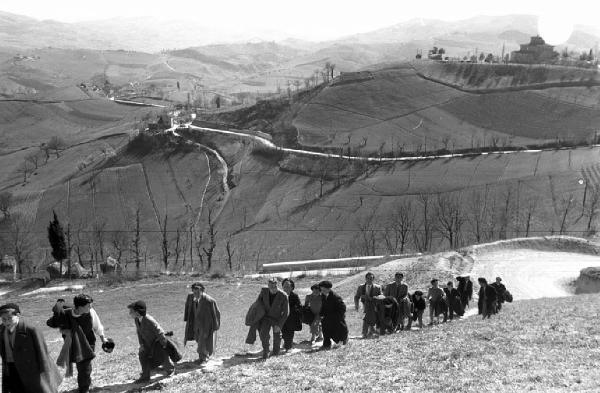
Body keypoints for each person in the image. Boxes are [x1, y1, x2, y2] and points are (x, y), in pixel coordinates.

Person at [51, 294, 107, 393]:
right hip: (73, 344)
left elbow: (97, 326)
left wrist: (103, 339)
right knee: (81, 365)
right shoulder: (66, 314)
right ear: (80, 307)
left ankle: (84, 388)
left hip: (88, 343)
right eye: (88, 305)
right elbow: (51, 322)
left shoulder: (91, 312)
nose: (91, 307)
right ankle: (85, 384)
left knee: (84, 366)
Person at [0, 303, 62, 393]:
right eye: (3, 319)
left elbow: (42, 352)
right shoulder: (1, 329)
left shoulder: (31, 329)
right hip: (11, 367)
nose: (6, 322)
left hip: (31, 369)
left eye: (9, 318)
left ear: (17, 316)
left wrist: (46, 373)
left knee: (40, 389)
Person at [128, 301, 175, 383]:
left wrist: (164, 344)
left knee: (163, 357)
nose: (129, 313)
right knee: (142, 355)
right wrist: (141, 344)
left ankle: (170, 370)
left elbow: (159, 331)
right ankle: (145, 376)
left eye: (131, 311)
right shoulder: (137, 319)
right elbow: (139, 332)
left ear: (137, 312)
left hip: (157, 342)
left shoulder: (148, 319)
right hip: (147, 343)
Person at [183, 283, 221, 363]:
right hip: (195, 324)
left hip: (205, 325)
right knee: (198, 339)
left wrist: (214, 326)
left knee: (203, 341)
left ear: (202, 291)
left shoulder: (208, 301)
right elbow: (188, 308)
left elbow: (216, 314)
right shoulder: (191, 297)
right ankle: (204, 356)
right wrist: (187, 319)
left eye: (197, 292)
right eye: (194, 291)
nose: (195, 294)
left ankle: (203, 358)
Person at [254, 278, 289, 359]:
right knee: (263, 333)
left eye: (275, 286)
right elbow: (258, 303)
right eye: (271, 286)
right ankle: (266, 350)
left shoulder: (283, 296)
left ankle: (276, 352)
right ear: (268, 286)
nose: (273, 288)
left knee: (277, 335)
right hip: (266, 317)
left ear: (277, 285)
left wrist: (279, 325)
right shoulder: (264, 292)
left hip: (277, 318)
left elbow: (286, 313)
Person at [319, 281, 348, 349]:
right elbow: (323, 306)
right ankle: (326, 344)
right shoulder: (323, 295)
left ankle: (342, 341)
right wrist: (321, 314)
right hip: (326, 317)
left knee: (338, 330)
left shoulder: (335, 297)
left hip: (336, 318)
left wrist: (337, 317)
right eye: (321, 289)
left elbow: (343, 308)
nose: (322, 291)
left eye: (323, 290)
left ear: (328, 289)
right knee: (325, 330)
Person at [354, 272, 382, 338]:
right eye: (368, 278)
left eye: (371, 278)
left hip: (374, 305)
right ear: (365, 279)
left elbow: (381, 297)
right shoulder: (361, 287)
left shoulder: (378, 287)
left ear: (373, 279)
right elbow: (356, 296)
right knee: (367, 318)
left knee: (367, 318)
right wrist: (356, 305)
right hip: (364, 305)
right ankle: (370, 332)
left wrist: (373, 298)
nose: (369, 280)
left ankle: (366, 333)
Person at [281, 278, 302, 351]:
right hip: (282, 317)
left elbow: (299, 306)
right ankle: (287, 343)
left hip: (291, 317)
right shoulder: (280, 295)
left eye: (288, 286)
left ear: (292, 287)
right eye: (284, 286)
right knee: (283, 333)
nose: (286, 288)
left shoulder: (294, 296)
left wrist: (291, 310)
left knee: (289, 332)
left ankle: (288, 347)